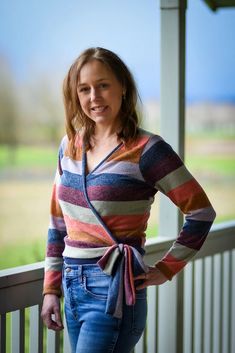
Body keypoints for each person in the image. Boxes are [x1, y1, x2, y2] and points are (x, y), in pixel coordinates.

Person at [41, 47, 216, 353]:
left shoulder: (148, 150)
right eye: (84, 89)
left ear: (123, 86)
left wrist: (167, 268)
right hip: (71, 286)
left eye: (103, 85)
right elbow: (58, 224)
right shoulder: (69, 146)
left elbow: (201, 212)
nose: (94, 97)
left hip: (114, 291)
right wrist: (51, 289)